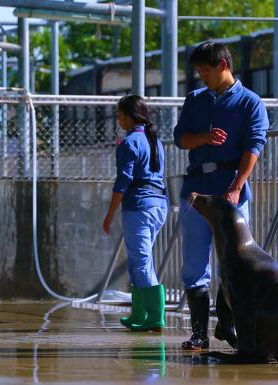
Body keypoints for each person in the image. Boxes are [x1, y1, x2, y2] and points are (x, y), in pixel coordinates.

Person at [173, 41, 268, 350]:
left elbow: (254, 145)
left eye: (206, 71)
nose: (202, 77)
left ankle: (227, 324)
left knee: (234, 262)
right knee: (195, 262)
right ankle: (199, 331)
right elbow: (181, 140)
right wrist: (205, 138)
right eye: (199, 72)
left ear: (224, 65)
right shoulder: (195, 100)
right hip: (197, 190)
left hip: (231, 189)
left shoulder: (250, 102)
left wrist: (238, 184)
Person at [103, 94, 169, 332]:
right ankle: (139, 312)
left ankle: (154, 316)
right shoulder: (155, 141)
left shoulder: (130, 143)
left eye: (120, 114)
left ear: (130, 116)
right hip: (158, 205)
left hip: (139, 207)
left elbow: (123, 182)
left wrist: (110, 214)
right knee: (141, 260)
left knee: (140, 262)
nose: (118, 119)